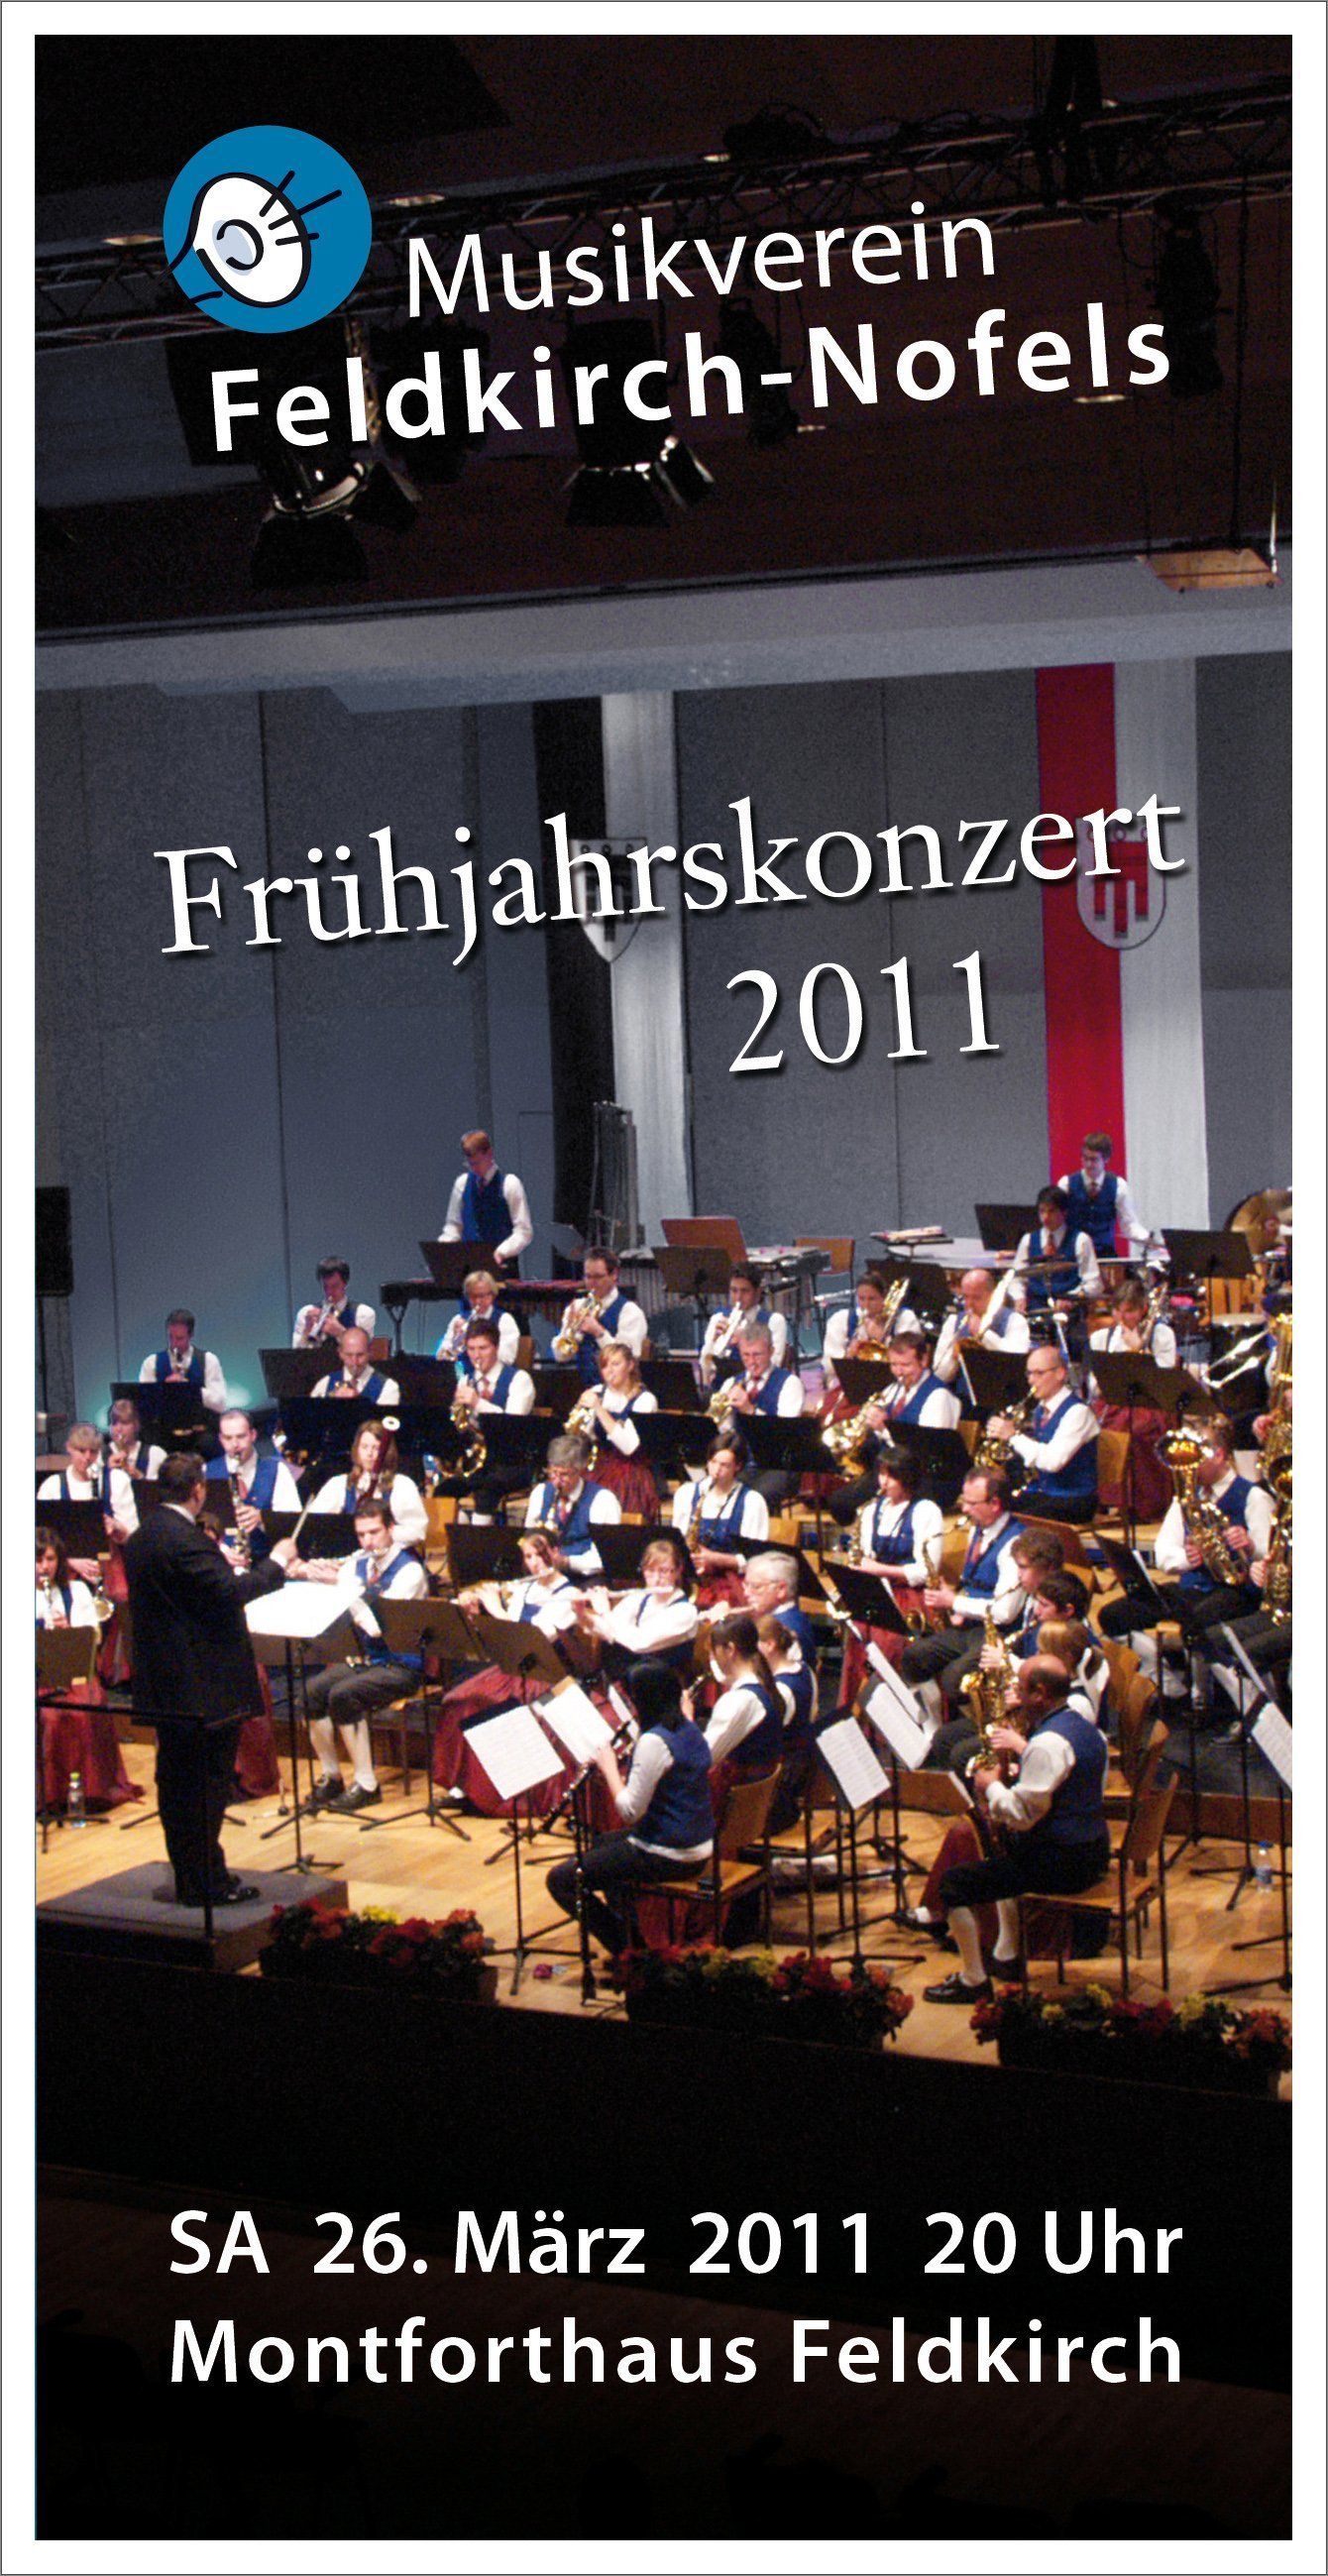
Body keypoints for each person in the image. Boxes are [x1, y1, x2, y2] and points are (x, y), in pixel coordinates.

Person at [122, 1453, 291, 1907]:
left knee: (176, 1785)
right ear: (198, 1489)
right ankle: (205, 1884)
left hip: (163, 1684)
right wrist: (277, 1562)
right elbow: (231, 1593)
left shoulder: (141, 1538)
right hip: (203, 1686)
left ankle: (194, 1876)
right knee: (205, 1787)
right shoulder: (186, 1540)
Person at [923, 1655, 1110, 2003]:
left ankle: (973, 1980)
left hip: (1063, 1863)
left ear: (1040, 1693)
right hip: (1092, 1849)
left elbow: (1022, 1816)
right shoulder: (1085, 1729)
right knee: (1004, 1855)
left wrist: (991, 1785)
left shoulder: (1048, 1744)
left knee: (953, 1886)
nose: (1015, 1694)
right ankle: (1006, 1955)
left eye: (1020, 1688)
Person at [545, 1657, 714, 1957]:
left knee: (562, 1880)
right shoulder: (688, 1727)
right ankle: (631, 1937)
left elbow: (630, 1812)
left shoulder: (654, 1741)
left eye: (631, 1699)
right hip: (696, 1842)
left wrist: (609, 1767)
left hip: (670, 1853)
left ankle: (629, 1951)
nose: (630, 1706)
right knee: (601, 1844)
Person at [287, 1499, 429, 1814]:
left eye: (374, 1533)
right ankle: (332, 1777)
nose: (367, 1542)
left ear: (390, 1529)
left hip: (403, 1665)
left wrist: (346, 1590)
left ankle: (366, 1785)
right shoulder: (358, 1565)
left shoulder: (409, 1571)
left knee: (344, 1695)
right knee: (310, 1693)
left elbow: (378, 1628)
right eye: (361, 1535)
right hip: (368, 1661)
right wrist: (309, 1573)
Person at [1099, 1416, 1271, 1649]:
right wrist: (1189, 1558)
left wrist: (1250, 1545)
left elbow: (1270, 1557)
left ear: (1218, 1455)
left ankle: (1191, 1667)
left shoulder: (1254, 1497)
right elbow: (1163, 1553)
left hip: (1236, 1593)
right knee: (1113, 1615)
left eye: (1194, 1459)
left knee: (1194, 1624)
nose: (1187, 1468)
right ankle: (1164, 1664)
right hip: (1192, 1589)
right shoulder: (1186, 1498)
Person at [900, 1468, 1026, 1717]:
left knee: (955, 1678)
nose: (965, 1509)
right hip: (971, 1625)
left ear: (995, 1504)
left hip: (998, 1634)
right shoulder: (977, 1528)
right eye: (963, 1501)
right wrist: (954, 1594)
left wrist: (954, 1602)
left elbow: (1004, 1612)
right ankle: (933, 1721)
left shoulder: (1015, 1544)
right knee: (914, 1657)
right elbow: (975, 1581)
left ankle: (979, 1726)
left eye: (971, 1503)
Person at [35, 1526, 139, 1814]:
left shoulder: (76, 1590)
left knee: (83, 1711)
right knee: (49, 1717)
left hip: (71, 1674)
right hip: (36, 1677)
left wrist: (69, 1632)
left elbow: (93, 1637)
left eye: (50, 1559)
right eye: (38, 1560)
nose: (44, 1567)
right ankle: (46, 1796)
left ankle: (88, 1792)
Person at [835, 1446, 946, 1700]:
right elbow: (865, 1556)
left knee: (890, 1645)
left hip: (910, 1597)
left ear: (907, 1477)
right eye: (881, 1474)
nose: (883, 1482)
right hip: (877, 1592)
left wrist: (880, 1570)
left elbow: (926, 1570)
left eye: (891, 1476)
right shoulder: (872, 1510)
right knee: (858, 1640)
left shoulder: (926, 1511)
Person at [1087, 1276, 1177, 1523]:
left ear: (1143, 1309)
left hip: (1150, 1405)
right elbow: (1094, 1385)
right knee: (1089, 1429)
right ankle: (1106, 1499)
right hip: (1112, 1402)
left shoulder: (1162, 1334)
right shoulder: (1101, 1338)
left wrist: (1140, 1350)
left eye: (1129, 1311)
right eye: (1118, 1311)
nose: (1122, 1318)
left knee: (1137, 1432)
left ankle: (1142, 1504)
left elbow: (1164, 1380)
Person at [987, 1346, 1099, 1522]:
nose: (1031, 1380)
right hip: (1045, 1493)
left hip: (1074, 1499)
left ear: (1060, 1373)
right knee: (991, 1505)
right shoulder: (1040, 1410)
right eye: (1029, 1373)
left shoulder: (1078, 1412)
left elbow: (1053, 1462)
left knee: (1013, 1519)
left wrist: (1014, 1436)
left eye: (1039, 1373)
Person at [573, 1534, 699, 1678]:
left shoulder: (685, 1612)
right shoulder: (639, 1598)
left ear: (678, 1570)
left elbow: (639, 1643)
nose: (656, 1579)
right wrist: (582, 1614)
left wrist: (604, 1612)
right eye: (650, 1570)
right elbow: (610, 1631)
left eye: (663, 1571)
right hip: (631, 1677)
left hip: (662, 1683)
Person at [670, 1432, 769, 1609]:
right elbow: (677, 1542)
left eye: (724, 1465)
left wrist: (715, 1559)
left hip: (731, 1584)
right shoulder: (686, 1493)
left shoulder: (752, 1501)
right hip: (691, 1579)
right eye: (713, 1462)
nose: (716, 1470)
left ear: (738, 1466)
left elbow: (756, 1561)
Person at [38, 1421, 138, 1580]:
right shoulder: (52, 1486)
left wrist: (116, 1526)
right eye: (81, 1451)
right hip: (65, 1572)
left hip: (108, 1569)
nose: (87, 1458)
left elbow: (133, 1536)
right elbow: (41, 1540)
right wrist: (70, 1560)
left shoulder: (117, 1480)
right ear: (69, 1448)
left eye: (93, 1452)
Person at [310, 1420, 428, 1548]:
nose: (369, 1454)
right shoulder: (338, 1484)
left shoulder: (401, 1485)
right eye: (364, 1447)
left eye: (376, 1448)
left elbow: (417, 1531)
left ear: (387, 1452)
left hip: (389, 1554)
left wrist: (380, 1535)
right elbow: (314, 1523)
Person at [574, 1341, 659, 1516]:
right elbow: (584, 1436)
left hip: (631, 1470)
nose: (609, 1371)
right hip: (598, 1463)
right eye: (604, 1366)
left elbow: (628, 1447)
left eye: (615, 1364)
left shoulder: (645, 1400)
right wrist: (580, 1416)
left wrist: (599, 1409)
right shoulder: (597, 1391)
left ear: (630, 1365)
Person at [203, 1408, 301, 1558]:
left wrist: (263, 1518)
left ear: (253, 1435)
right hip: (221, 1560)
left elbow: (293, 1519)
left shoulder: (276, 1469)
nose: (235, 1444)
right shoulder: (207, 1471)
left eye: (241, 1436)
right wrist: (222, 1550)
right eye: (228, 1438)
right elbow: (199, 1524)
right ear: (220, 1439)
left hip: (267, 1559)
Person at [524, 1432, 622, 1577]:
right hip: (545, 1576)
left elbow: (605, 1557)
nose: (557, 1481)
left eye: (564, 1474)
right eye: (553, 1473)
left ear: (580, 1470)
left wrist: (567, 1562)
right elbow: (528, 1540)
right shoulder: (540, 1493)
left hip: (585, 1579)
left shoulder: (603, 1500)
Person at [1056, 1131, 1158, 1266]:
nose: (1088, 1164)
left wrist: (1150, 1242)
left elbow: (1129, 1225)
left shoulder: (1119, 1186)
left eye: (1094, 1159)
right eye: (1085, 1158)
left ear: (1106, 1159)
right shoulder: (1066, 1184)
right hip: (1074, 1257)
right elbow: (1057, 1223)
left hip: (1105, 1257)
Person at [440, 1130, 533, 1274]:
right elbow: (454, 1227)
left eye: (477, 1162)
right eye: (470, 1164)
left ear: (489, 1153)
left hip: (502, 1271)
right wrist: (442, 1252)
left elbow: (524, 1231)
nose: (474, 1168)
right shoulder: (462, 1184)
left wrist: (501, 1252)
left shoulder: (510, 1184)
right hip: (469, 1272)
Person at [704, 1614, 786, 1776]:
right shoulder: (765, 1684)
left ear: (730, 1650)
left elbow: (702, 1758)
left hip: (734, 1789)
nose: (712, 1658)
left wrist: (686, 1721)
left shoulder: (739, 1700)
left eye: (713, 1651)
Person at [554, 1248, 648, 1383]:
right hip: (584, 1387)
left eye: (598, 1277)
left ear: (614, 1274)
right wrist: (572, 1333)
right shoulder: (577, 1307)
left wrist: (598, 1332)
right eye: (588, 1276)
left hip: (620, 1390)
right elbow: (560, 1357)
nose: (591, 1283)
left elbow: (627, 1361)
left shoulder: (630, 1312)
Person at [1012, 1188, 1102, 1322]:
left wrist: (1071, 1298)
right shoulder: (1028, 1240)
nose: (1045, 1217)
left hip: (1070, 1311)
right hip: (1035, 1309)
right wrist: (1019, 1297)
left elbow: (1094, 1283)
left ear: (1064, 1212)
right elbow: (1016, 1278)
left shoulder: (1081, 1240)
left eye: (1051, 1211)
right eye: (1042, 1211)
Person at [933, 1270, 1030, 1386]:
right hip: (963, 1394)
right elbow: (940, 1375)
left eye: (976, 1298)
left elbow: (1016, 1366)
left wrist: (984, 1334)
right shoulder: (954, 1322)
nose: (969, 1304)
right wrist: (953, 1358)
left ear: (993, 1296)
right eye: (965, 1297)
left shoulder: (1015, 1320)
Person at [701, 1266, 788, 1388]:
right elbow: (706, 1368)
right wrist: (713, 1343)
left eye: (745, 1291)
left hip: (757, 1390)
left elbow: (773, 1366)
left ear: (758, 1292)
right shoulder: (718, 1318)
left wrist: (743, 1341)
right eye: (734, 1291)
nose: (738, 1297)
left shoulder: (774, 1321)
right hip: (721, 1388)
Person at [742, 1549, 818, 1676]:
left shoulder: (785, 1629)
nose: (746, 1593)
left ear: (781, 1589)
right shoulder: (793, 1616)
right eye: (745, 1585)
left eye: (755, 1587)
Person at [138, 1308, 228, 1413]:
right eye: (170, 1337)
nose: (174, 1343)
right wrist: (163, 1388)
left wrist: (188, 1388)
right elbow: (143, 1402)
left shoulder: (209, 1360)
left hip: (199, 1421)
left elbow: (220, 1403)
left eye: (179, 1338)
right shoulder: (151, 1362)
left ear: (191, 1335)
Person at [435, 1267, 520, 1368]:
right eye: (473, 1296)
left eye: (482, 1296)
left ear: (492, 1295)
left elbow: (507, 1358)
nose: (477, 1301)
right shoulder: (458, 1319)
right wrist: (455, 1342)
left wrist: (472, 1340)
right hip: (465, 1374)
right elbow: (442, 1356)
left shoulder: (505, 1320)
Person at [292, 1259, 377, 1351]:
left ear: (345, 1283)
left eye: (335, 1286)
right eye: (325, 1286)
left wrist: (340, 1333)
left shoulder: (363, 1313)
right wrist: (306, 1331)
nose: (329, 1292)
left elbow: (364, 1352)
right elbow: (296, 1354)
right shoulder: (306, 1312)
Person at [310, 1326, 400, 1405]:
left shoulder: (388, 1387)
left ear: (370, 1352)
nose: (355, 1362)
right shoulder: (325, 1383)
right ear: (340, 1353)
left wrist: (358, 1401)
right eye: (349, 1355)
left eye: (360, 1355)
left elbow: (382, 1419)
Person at [105, 1396, 167, 1483]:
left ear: (136, 1425)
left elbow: (161, 1489)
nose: (118, 1429)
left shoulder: (155, 1454)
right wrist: (106, 1471)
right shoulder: (99, 1455)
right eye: (114, 1423)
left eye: (124, 1423)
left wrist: (139, 1477)